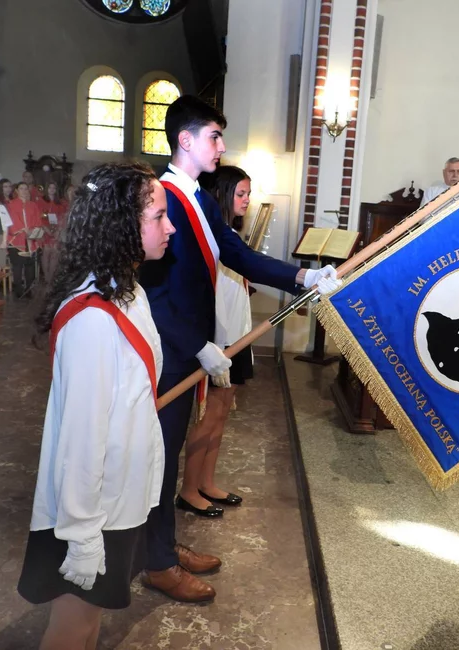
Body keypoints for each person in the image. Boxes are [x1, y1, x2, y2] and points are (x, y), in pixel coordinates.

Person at [137, 95, 340, 603]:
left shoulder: (201, 199)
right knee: (159, 458)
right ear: (185, 140)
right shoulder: (162, 197)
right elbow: (154, 292)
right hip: (170, 351)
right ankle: (156, 563)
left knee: (170, 452)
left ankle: (161, 546)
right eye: (214, 136)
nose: (221, 146)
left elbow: (238, 255)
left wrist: (303, 276)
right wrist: (197, 345)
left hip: (192, 348)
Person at [17, 162, 175, 650]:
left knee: (90, 624)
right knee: (72, 628)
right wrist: (83, 535)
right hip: (89, 510)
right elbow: (81, 440)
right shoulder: (92, 320)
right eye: (158, 216)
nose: (169, 227)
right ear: (121, 225)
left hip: (117, 498)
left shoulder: (129, 292)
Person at [177, 166, 254, 518]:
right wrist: (218, 344)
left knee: (222, 415)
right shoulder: (211, 239)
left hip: (240, 335)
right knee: (206, 417)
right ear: (222, 195)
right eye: (241, 194)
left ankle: (207, 482)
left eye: (248, 194)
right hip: (220, 340)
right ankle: (188, 489)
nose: (247, 200)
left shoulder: (231, 236)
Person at [8, 181, 41, 297]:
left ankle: (28, 289)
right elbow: (12, 220)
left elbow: (37, 220)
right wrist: (23, 229)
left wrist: (32, 231)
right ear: (16, 191)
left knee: (30, 266)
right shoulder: (11, 204)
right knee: (17, 266)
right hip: (17, 239)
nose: (24, 191)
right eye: (21, 188)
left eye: (26, 189)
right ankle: (18, 289)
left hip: (30, 239)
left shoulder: (33, 205)